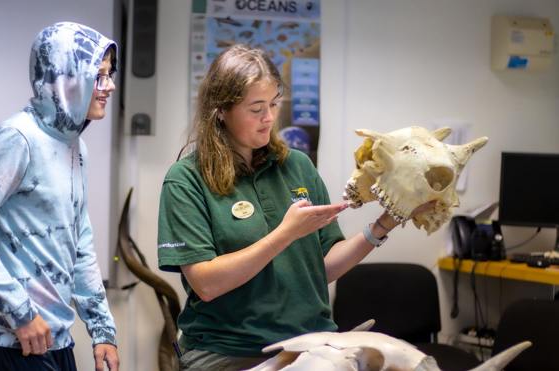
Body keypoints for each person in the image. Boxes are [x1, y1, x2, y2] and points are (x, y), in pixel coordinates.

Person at [157, 44, 432, 371]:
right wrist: (285, 234)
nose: (269, 118)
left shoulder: (297, 165)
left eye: (274, 104)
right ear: (220, 110)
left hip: (311, 344)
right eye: (256, 108)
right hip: (230, 350)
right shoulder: (186, 179)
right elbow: (206, 283)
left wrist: (385, 223)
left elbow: (322, 269)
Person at [0, 22, 119, 371]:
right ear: (64, 76)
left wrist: (102, 331)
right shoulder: (17, 138)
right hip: (12, 342)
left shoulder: (75, 146)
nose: (109, 86)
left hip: (56, 339)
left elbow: (80, 239)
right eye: (98, 76)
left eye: (109, 75)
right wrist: (20, 311)